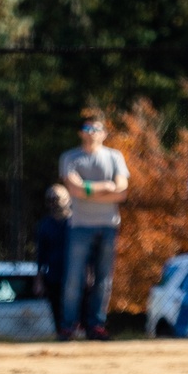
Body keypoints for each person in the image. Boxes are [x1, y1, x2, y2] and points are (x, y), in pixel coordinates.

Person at [59, 114, 129, 341]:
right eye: (87, 127)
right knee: (74, 279)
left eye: (96, 128)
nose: (91, 132)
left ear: (104, 133)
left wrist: (89, 191)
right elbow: (75, 190)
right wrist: (106, 188)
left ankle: (96, 326)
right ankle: (69, 327)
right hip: (80, 225)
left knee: (103, 279)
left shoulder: (114, 157)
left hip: (108, 226)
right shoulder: (70, 157)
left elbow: (122, 191)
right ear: (80, 132)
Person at [34, 184, 70, 335]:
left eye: (57, 198)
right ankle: (62, 333)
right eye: (50, 199)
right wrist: (39, 280)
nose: (53, 203)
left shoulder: (76, 224)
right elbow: (40, 256)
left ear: (67, 199)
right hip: (54, 274)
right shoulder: (45, 226)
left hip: (75, 273)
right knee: (56, 306)